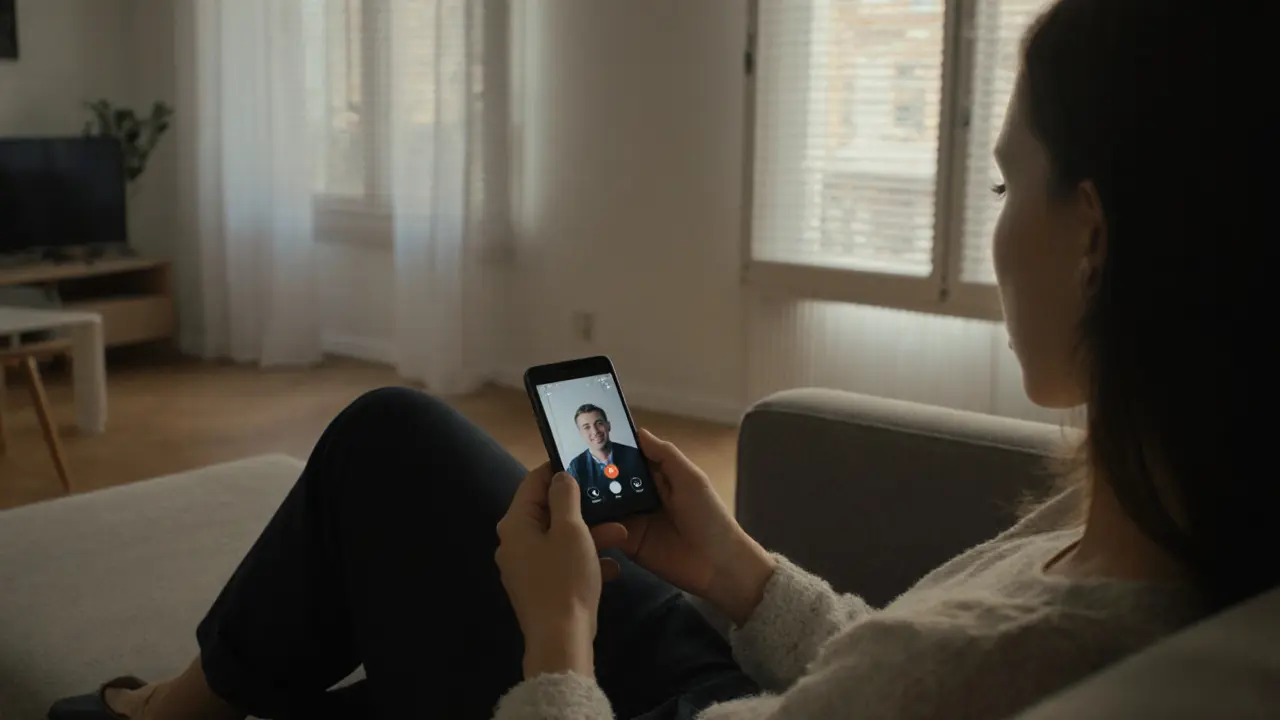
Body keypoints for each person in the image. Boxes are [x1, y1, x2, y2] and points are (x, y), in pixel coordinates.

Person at [50, 0, 1271, 718]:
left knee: (389, 444)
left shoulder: (1003, 655)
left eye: (1002, 185)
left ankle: (160, 715)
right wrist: (735, 569)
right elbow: (877, 673)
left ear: (1092, 237)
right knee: (407, 470)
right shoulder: (1159, 529)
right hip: (741, 689)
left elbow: (903, 677)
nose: (993, 228)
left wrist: (557, 639)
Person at [565, 404, 647, 499]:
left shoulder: (634, 455)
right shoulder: (575, 467)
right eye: (586, 427)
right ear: (581, 433)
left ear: (608, 426)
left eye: (599, 423)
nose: (595, 431)